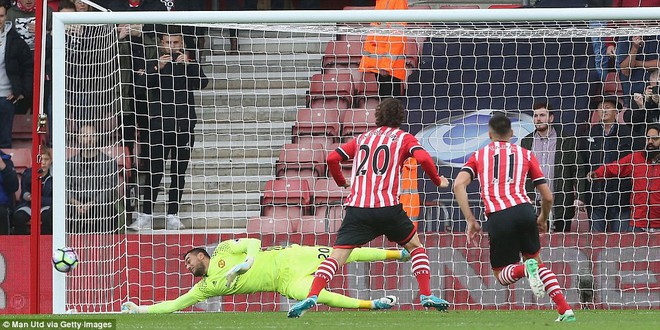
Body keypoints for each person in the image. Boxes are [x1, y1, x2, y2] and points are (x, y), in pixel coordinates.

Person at [287, 98, 451, 318]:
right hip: (387, 208)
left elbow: (332, 157)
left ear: (378, 117)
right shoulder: (403, 138)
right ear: (400, 118)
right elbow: (422, 157)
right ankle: (426, 295)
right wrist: (437, 180)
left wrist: (340, 182)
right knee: (415, 247)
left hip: (358, 209)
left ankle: (312, 295)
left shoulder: (363, 138)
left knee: (336, 257)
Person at [452, 114, 576, 322]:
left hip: (499, 216)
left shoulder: (479, 155)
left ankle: (525, 270)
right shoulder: (526, 154)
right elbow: (547, 196)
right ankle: (565, 310)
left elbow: (458, 185)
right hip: (525, 211)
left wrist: (470, 219)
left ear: (490, 134)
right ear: (511, 134)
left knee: (501, 275)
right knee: (537, 262)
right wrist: (542, 218)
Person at [120, 238, 408, 313]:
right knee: (320, 296)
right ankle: (373, 305)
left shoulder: (222, 249)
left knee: (345, 252)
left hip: (289, 256)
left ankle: (399, 254)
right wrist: (140, 308)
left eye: (187, 260)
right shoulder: (206, 288)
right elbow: (173, 304)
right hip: (283, 282)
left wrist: (246, 263)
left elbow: (254, 242)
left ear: (200, 255)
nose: (186, 266)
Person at [130, 26, 208, 231]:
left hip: (184, 126)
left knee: (178, 172)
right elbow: (140, 86)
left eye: (175, 43)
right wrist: (157, 67)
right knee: (154, 172)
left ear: (181, 44)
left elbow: (202, 83)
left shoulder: (189, 63)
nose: (171, 47)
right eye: (167, 43)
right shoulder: (154, 64)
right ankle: (146, 214)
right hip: (158, 127)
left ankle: (172, 214)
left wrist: (189, 65)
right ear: (161, 43)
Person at [587, 124, 660, 231]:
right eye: (648, 138)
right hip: (638, 223)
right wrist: (598, 173)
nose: (650, 141)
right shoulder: (636, 158)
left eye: (655, 138)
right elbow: (615, 167)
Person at [577, 95, 633, 232]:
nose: (604, 110)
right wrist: (582, 196)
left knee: (621, 244)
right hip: (596, 197)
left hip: (621, 198)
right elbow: (581, 166)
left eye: (607, 107)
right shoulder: (588, 134)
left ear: (616, 111)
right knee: (596, 243)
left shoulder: (627, 134)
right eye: (600, 107)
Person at [520, 102, 578, 232]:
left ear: (551, 118)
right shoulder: (526, 141)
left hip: (560, 204)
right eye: (535, 116)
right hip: (533, 206)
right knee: (533, 247)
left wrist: (580, 196)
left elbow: (577, 169)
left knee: (561, 247)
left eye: (542, 115)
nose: (538, 119)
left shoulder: (566, 140)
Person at [66, 124, 118, 233]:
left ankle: (106, 246)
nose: (89, 140)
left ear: (98, 138)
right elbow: (67, 187)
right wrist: (77, 204)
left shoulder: (109, 162)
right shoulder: (69, 163)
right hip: (76, 203)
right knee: (61, 210)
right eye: (85, 136)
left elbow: (108, 188)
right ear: (78, 139)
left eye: (92, 136)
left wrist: (91, 204)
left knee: (110, 210)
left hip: (99, 203)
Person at [358, 0, 408, 97]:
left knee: (390, 105)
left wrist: (386, 65)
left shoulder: (397, 1)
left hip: (388, 67)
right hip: (380, 65)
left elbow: (397, 35)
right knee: (386, 104)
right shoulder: (381, 2)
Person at [0, 3, 33, 148]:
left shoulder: (15, 40)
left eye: (1, 16)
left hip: (6, 97)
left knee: (4, 143)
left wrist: (21, 91)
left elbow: (28, 66)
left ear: (6, 16)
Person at [12, 147, 52, 235]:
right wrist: (28, 196)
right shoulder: (28, 173)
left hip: (47, 206)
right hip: (29, 205)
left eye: (46, 159)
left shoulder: (54, 176)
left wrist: (37, 199)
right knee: (19, 217)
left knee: (48, 217)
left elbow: (54, 199)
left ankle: (46, 244)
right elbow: (24, 192)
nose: (43, 163)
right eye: (40, 159)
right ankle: (20, 245)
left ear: (51, 161)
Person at [0, 149, 18, 235]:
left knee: (2, 212)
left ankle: (3, 246)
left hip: (2, 204)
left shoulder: (6, 161)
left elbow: (14, 187)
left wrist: (3, 167)